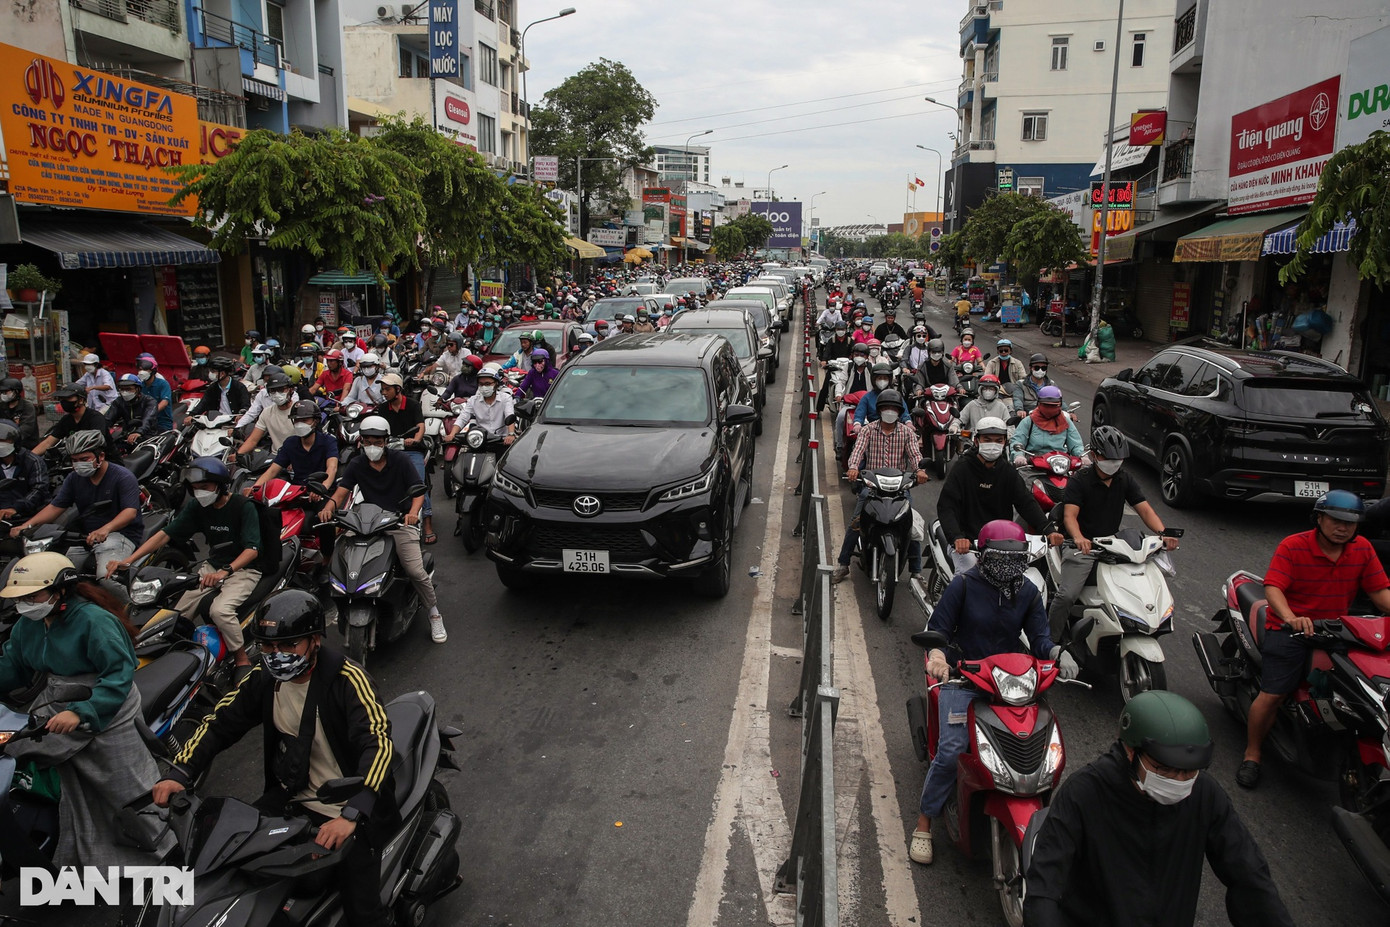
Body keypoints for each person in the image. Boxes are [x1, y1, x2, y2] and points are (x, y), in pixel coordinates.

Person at [152, 590, 398, 927]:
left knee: (364, 914)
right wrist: (181, 771)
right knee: (228, 863)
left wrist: (352, 814)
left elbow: (378, 744)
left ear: (313, 641)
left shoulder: (348, 679)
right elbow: (221, 722)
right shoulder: (265, 678)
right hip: (291, 797)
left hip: (349, 810)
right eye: (267, 647)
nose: (275, 655)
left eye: (288, 645)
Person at [1024, 691, 1294, 927]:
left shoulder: (1204, 795)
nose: (1178, 781)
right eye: (1164, 769)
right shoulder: (1084, 793)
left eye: (1189, 771)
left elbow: (1249, 875)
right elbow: (1044, 889)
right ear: (1130, 751)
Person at [910, 520, 1074, 865]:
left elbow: (1040, 638)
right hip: (964, 676)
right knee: (953, 747)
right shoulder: (963, 586)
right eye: (1001, 558)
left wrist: (1057, 653)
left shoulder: (1028, 592)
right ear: (983, 556)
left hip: (1010, 680)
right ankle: (925, 822)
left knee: (1041, 744)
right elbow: (938, 629)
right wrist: (939, 658)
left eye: (1016, 559)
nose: (1009, 566)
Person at [0, 552, 172, 868]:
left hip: (108, 707)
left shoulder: (94, 620)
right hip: (58, 703)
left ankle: (169, 856)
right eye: (20, 598)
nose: (24, 603)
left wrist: (84, 712)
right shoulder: (28, 625)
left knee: (127, 791)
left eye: (32, 595)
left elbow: (119, 674)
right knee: (53, 776)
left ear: (60, 589)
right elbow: (12, 668)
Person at [1238, 490, 1390, 789]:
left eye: (1350, 522)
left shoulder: (1362, 549)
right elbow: (1274, 589)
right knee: (1273, 694)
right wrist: (1291, 616)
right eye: (1335, 520)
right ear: (1319, 518)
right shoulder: (1293, 545)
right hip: (1290, 630)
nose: (1343, 528)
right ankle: (1252, 754)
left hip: (1336, 631)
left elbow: (1379, 594)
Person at [111, 457, 271, 677]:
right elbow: (164, 535)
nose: (199, 493)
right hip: (212, 566)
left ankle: (241, 658)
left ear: (220, 484)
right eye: (195, 489)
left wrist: (226, 571)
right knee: (175, 613)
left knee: (220, 611)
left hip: (243, 570)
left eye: (204, 487)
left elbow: (252, 549)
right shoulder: (197, 507)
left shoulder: (243, 507)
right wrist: (129, 560)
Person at [319, 417, 444, 642]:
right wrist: (328, 508)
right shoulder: (357, 463)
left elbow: (417, 493)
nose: (372, 447)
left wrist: (413, 513)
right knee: (342, 555)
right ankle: (345, 604)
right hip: (368, 521)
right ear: (361, 442)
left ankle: (434, 613)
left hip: (399, 522)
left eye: (377, 442)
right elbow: (341, 493)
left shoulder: (401, 461)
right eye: (367, 441)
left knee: (415, 571)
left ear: (386, 441)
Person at [1049, 426, 1177, 640]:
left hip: (1112, 545)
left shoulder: (1124, 479)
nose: (1114, 462)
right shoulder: (1079, 480)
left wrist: (1163, 533)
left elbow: (1144, 509)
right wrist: (1079, 538)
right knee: (1067, 595)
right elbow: (1069, 516)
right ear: (1094, 455)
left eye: (1119, 458)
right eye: (1108, 457)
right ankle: (1049, 640)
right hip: (1081, 547)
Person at [12, 431, 143, 600]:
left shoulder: (123, 476)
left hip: (120, 535)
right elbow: (55, 507)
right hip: (86, 537)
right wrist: (27, 526)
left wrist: (105, 529)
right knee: (58, 575)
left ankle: (133, 611)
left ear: (100, 456)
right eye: (74, 460)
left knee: (108, 578)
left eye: (84, 459)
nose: (78, 464)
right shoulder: (74, 479)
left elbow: (130, 512)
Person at [833, 389, 928, 584]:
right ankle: (843, 564)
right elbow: (857, 452)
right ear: (879, 410)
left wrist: (920, 470)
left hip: (900, 488)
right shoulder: (868, 430)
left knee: (912, 526)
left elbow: (915, 456)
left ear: (899, 411)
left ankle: (916, 572)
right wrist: (853, 468)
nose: (890, 411)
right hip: (872, 487)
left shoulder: (907, 433)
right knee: (856, 523)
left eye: (894, 408)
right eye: (886, 408)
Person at [936, 419, 1051, 572]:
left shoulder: (1008, 472)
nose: (993, 444)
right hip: (968, 544)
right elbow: (947, 506)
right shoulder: (962, 469)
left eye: (998, 440)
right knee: (968, 578)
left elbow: (1026, 503)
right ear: (977, 441)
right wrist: (957, 537)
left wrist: (1048, 529)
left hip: (1001, 544)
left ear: (1005, 442)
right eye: (987, 440)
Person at [375, 373, 434, 545]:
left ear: (398, 389)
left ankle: (428, 525)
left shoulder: (413, 405)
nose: (384, 393)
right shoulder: (383, 408)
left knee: (418, 485)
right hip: (390, 450)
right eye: (382, 389)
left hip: (412, 451)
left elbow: (421, 426)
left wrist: (415, 439)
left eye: (387, 389)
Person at [251, 400, 340, 492]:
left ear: (315, 421)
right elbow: (273, 470)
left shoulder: (328, 441)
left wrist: (322, 488)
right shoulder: (290, 443)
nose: (300, 424)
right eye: (297, 420)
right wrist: (254, 488)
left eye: (305, 420)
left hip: (323, 491)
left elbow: (332, 468)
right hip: (298, 492)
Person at [1011, 385, 1084, 465]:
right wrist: (1019, 456)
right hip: (1032, 463)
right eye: (1046, 405)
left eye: (1054, 406)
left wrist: (1082, 456)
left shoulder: (1065, 422)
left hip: (1060, 463)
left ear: (1060, 405)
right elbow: (1018, 440)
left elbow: (1076, 444)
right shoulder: (1029, 421)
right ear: (1038, 404)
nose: (1050, 409)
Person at [445, 364, 517, 445]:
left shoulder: (506, 398)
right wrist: (452, 434)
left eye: (487, 384)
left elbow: (509, 415)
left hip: (501, 440)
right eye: (481, 384)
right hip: (479, 440)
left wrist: (511, 434)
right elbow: (462, 418)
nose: (484, 387)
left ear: (496, 383)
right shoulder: (473, 400)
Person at [33, 387, 112, 458]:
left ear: (81, 400)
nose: (64, 402)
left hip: (103, 461)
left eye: (68, 398)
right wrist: (30, 457)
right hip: (77, 462)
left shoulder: (96, 418)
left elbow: (96, 443)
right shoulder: (66, 420)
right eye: (62, 399)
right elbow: (48, 442)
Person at [0, 420, 50, 527]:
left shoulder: (32, 461)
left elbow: (39, 489)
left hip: (28, 517)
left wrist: (15, 508)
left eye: (3, 440)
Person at [237, 368, 298, 456]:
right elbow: (253, 440)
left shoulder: (300, 411)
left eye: (281, 389)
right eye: (273, 391)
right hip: (275, 457)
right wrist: (238, 454)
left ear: (291, 390)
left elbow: (307, 442)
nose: (277, 394)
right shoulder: (267, 412)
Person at [186, 355, 251, 423]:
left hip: (234, 424)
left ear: (222, 373)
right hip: (214, 424)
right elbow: (203, 404)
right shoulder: (212, 388)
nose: (210, 373)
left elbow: (246, 406)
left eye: (213, 371)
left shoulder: (239, 387)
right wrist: (192, 415)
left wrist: (241, 415)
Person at [105, 373, 158, 448]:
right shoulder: (119, 402)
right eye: (122, 389)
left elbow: (148, 419)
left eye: (128, 389)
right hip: (126, 436)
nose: (125, 392)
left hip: (147, 437)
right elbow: (108, 418)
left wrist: (139, 432)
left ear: (138, 389)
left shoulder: (149, 401)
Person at [984, 338, 1027, 411]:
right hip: (996, 392)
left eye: (1006, 350)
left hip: (1013, 393)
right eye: (1001, 350)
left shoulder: (1018, 363)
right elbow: (986, 378)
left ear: (1010, 351)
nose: (1003, 352)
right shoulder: (991, 363)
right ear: (998, 351)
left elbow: (1023, 379)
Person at [136, 355, 174, 432]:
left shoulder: (163, 384)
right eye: (140, 369)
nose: (142, 372)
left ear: (153, 371)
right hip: (144, 422)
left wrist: (151, 413)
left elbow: (164, 402)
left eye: (146, 370)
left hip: (162, 422)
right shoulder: (139, 385)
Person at [0, 376, 39, 448]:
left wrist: (10, 438)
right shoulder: (2, 406)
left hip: (26, 445)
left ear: (16, 391)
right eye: (2, 392)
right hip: (5, 445)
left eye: (6, 392)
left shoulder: (27, 406)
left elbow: (26, 429)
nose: (3, 394)